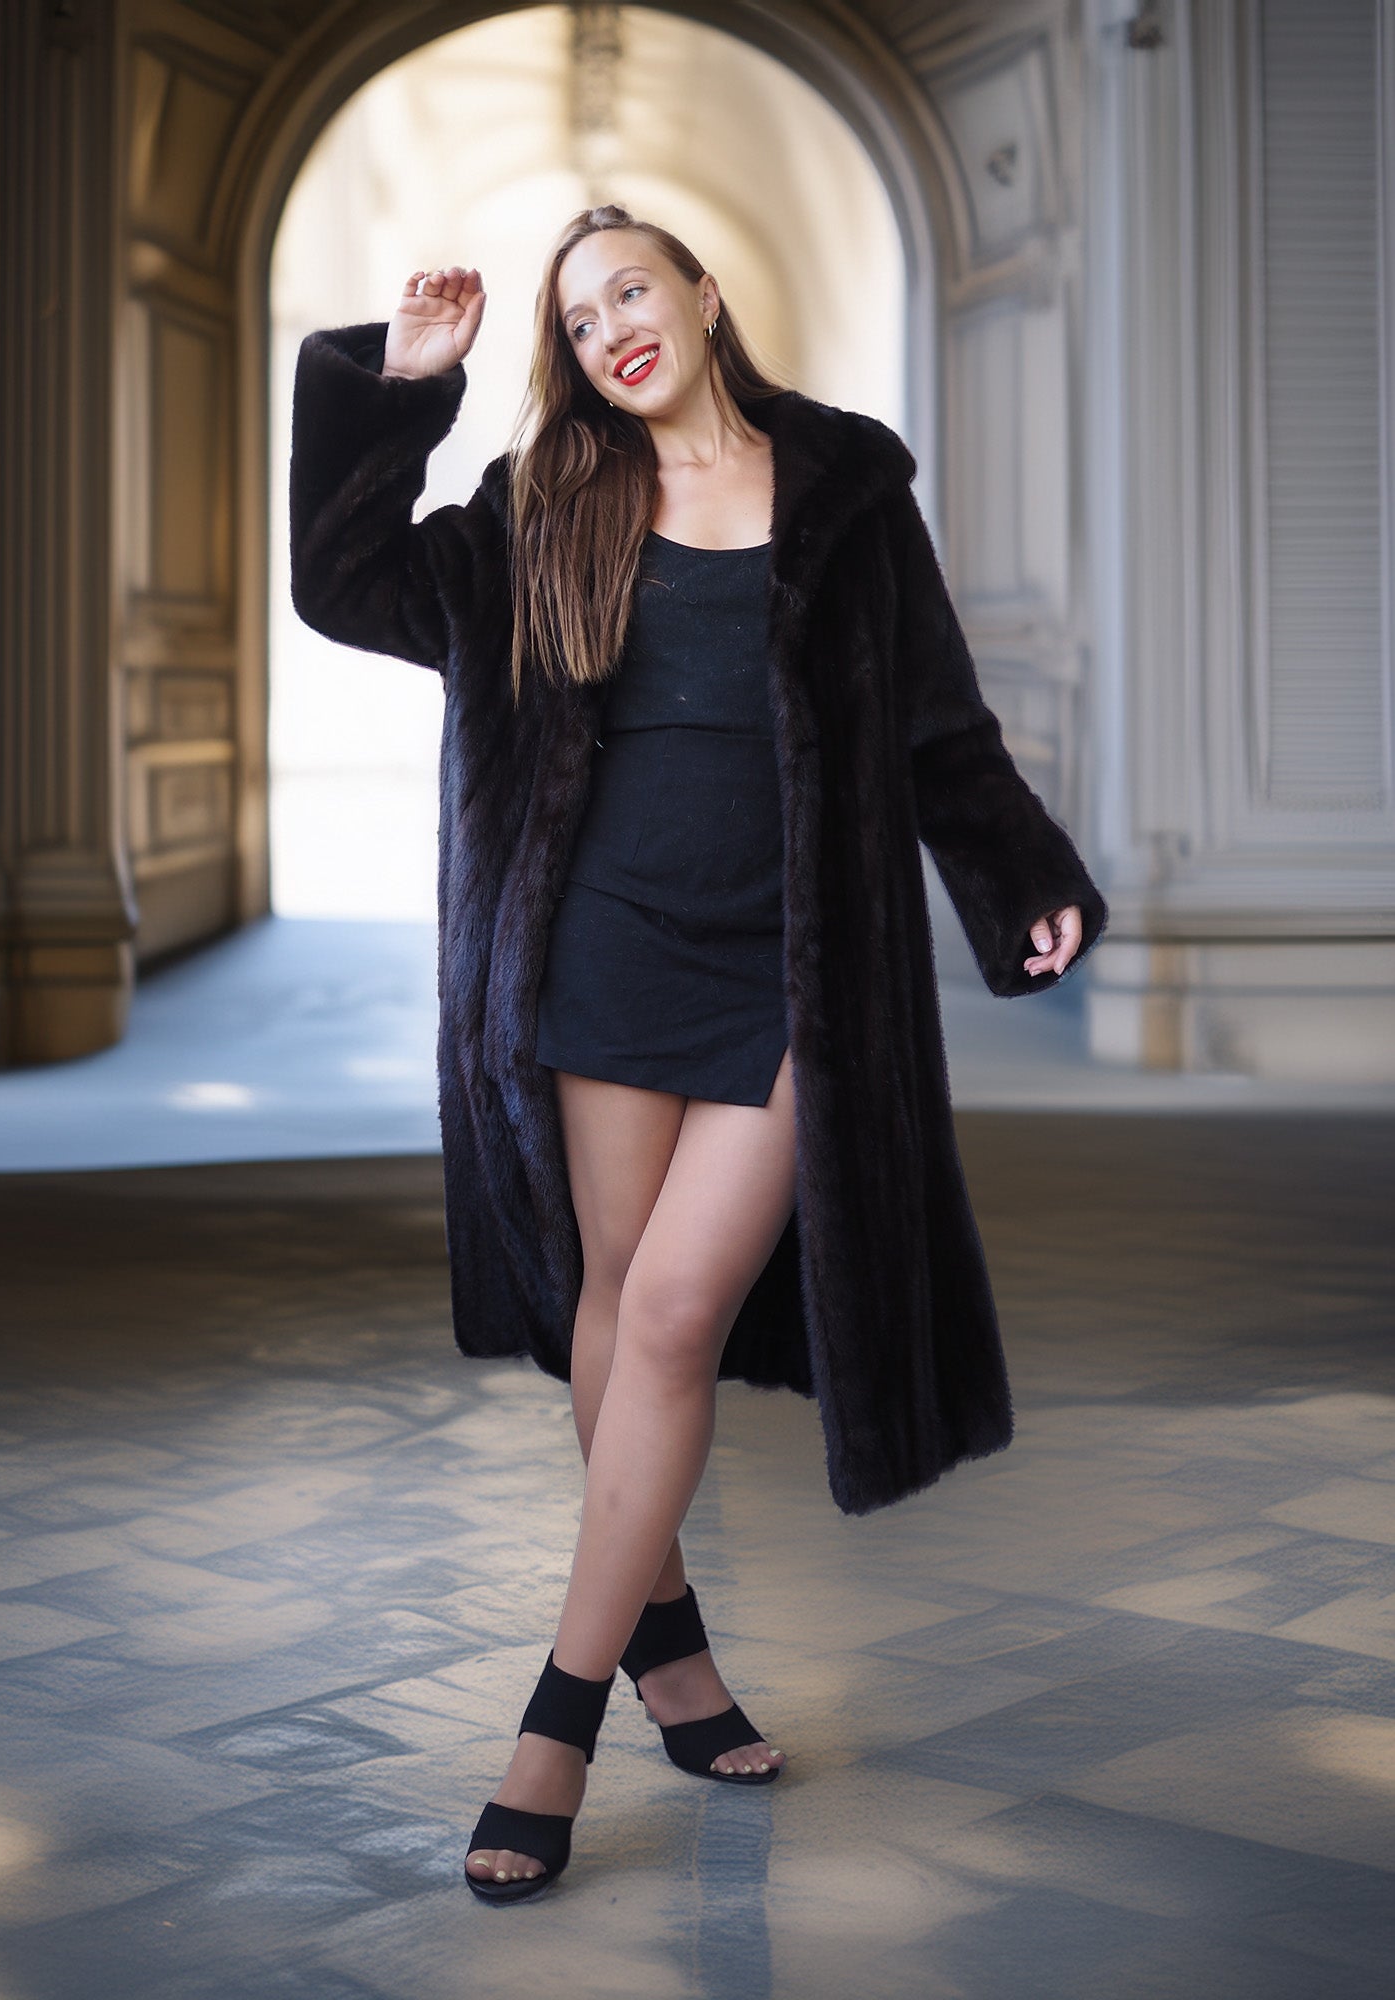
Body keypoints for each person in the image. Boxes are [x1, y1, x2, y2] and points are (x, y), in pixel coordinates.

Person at [288, 204, 1107, 1906]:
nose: (611, 332)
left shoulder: (851, 496)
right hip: (601, 951)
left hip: (793, 965)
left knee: (671, 1310)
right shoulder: (545, 509)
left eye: (631, 291)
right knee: (611, 1305)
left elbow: (936, 720)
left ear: (704, 290)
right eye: (580, 321)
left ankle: (554, 1726)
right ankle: (674, 1652)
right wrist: (397, 393)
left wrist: (1019, 872)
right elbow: (347, 586)